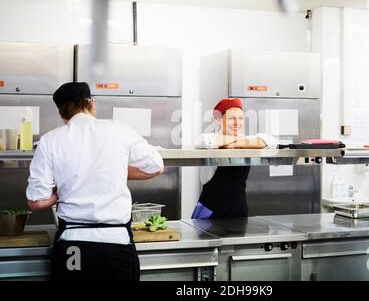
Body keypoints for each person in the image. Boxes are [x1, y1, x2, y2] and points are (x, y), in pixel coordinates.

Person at [26, 82, 164, 281]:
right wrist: (110, 171)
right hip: (116, 243)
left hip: (73, 245)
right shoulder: (118, 129)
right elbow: (156, 167)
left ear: (61, 114)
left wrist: (62, 189)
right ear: (92, 103)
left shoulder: (50, 140)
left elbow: (36, 201)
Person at [192, 98, 277, 219]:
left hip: (239, 211)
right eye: (232, 118)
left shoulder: (243, 140)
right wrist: (242, 141)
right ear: (219, 119)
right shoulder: (209, 138)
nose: (237, 123)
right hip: (210, 211)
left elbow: (271, 141)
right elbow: (204, 141)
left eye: (241, 118)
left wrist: (236, 142)